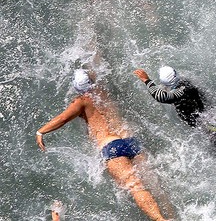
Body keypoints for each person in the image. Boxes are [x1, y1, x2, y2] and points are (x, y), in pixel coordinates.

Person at [36, 69, 171, 221]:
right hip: (130, 140)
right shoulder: (102, 90)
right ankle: (172, 217)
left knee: (135, 186)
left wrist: (41, 131)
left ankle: (161, 219)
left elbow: (62, 119)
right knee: (154, 185)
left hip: (112, 146)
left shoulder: (81, 101)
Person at [133, 66, 216, 155]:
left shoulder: (181, 91)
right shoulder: (183, 84)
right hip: (204, 117)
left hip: (204, 122)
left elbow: (160, 96)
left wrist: (146, 80)